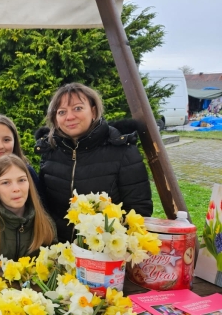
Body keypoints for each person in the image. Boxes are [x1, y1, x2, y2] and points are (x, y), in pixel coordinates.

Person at [35, 82, 153, 242]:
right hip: (58, 253)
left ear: (93, 110)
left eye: (77, 108)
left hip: (103, 256)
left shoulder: (122, 150)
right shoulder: (50, 151)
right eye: (62, 112)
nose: (69, 117)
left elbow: (138, 211)